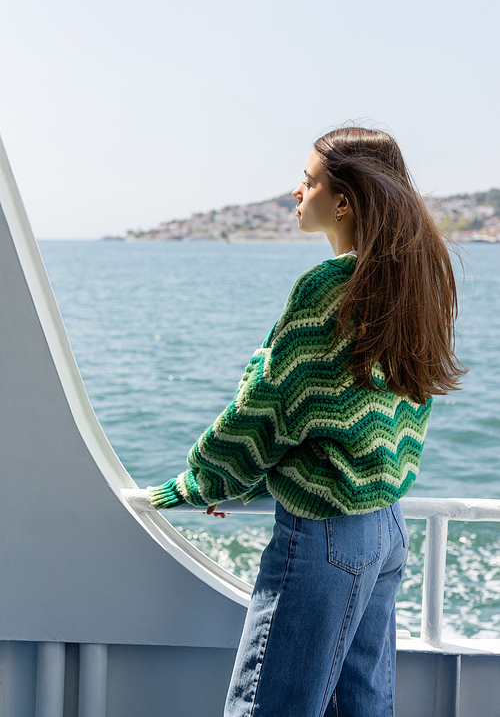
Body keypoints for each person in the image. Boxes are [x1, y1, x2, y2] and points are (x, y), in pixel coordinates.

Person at [148, 125, 467, 716]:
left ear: (342, 201)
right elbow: (338, 406)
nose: (296, 193)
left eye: (307, 180)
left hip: (326, 534)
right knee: (363, 708)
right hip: (385, 529)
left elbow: (269, 408)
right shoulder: (410, 283)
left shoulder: (331, 290)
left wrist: (199, 482)